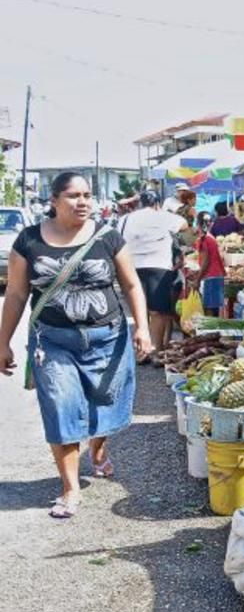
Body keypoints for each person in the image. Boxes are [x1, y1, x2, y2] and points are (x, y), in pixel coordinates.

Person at [0, 172, 152, 518]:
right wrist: (3, 342)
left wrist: (142, 328)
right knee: (61, 407)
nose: (83, 201)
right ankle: (69, 488)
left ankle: (97, 450)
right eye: (73, 195)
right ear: (53, 201)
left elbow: (131, 285)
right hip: (53, 341)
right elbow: (16, 293)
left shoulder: (107, 236)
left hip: (107, 338)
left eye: (87, 195)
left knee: (104, 402)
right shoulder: (28, 241)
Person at [119, 189, 188, 356]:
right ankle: (155, 350)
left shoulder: (125, 219)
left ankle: (141, 352)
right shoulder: (165, 216)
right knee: (158, 313)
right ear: (157, 203)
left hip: (131, 266)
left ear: (139, 202)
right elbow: (184, 225)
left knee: (139, 311)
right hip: (159, 267)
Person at [193, 211, 226, 316]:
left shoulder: (204, 239)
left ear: (197, 223)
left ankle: (211, 332)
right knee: (214, 308)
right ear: (211, 223)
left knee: (209, 309)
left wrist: (197, 280)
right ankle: (214, 331)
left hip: (210, 276)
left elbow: (205, 261)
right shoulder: (210, 237)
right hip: (217, 275)